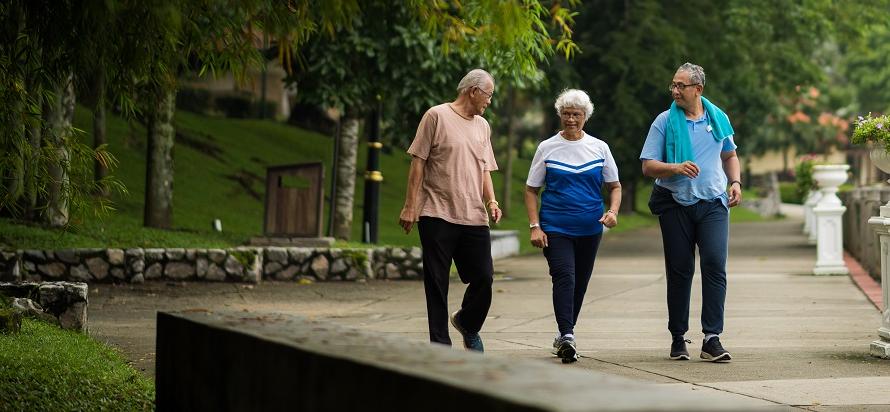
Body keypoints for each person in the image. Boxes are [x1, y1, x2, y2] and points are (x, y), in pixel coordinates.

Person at [639, 62, 742, 362]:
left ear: (698, 89)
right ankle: (677, 337)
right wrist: (675, 167)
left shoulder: (718, 118)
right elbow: (647, 166)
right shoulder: (664, 122)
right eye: (672, 85)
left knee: (714, 265)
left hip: (713, 204)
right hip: (675, 204)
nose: (674, 90)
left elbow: (730, 154)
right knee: (680, 270)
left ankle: (712, 338)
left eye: (680, 86)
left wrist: (735, 181)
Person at [399, 69, 501, 352]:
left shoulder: (483, 126)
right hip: (436, 212)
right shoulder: (436, 116)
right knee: (436, 281)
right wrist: (410, 206)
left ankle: (467, 322)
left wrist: (491, 201)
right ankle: (440, 346)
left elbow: (484, 169)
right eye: (489, 95)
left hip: (473, 214)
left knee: (484, 276)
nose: (489, 101)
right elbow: (418, 162)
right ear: (473, 91)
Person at [524, 89, 621, 363]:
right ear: (560, 115)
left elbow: (614, 186)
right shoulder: (547, 147)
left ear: (585, 117)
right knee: (564, 276)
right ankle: (567, 334)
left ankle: (565, 333)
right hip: (555, 227)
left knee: (580, 283)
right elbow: (531, 190)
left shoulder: (599, 148)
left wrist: (612, 211)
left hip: (591, 229)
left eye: (576, 114)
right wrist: (535, 226)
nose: (570, 119)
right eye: (566, 114)